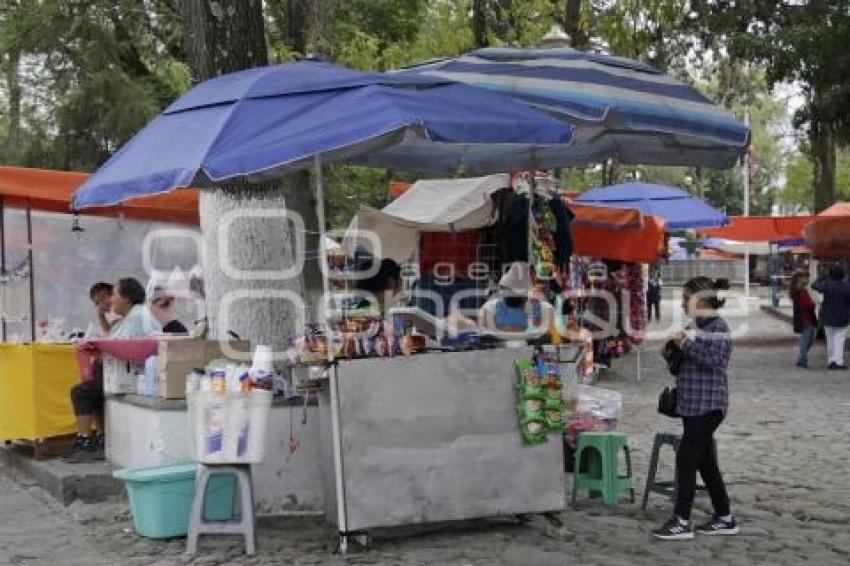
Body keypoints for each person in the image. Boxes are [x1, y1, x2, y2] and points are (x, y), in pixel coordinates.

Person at [653, 276, 737, 541]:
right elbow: (683, 363)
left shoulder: (719, 327)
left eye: (685, 298)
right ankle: (724, 517)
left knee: (686, 459)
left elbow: (714, 360)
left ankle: (681, 520)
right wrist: (670, 351)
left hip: (709, 405)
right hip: (691, 404)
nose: (682, 303)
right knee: (706, 464)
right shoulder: (695, 325)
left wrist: (685, 343)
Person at [67, 278, 162, 463]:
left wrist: (97, 349)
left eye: (114, 295)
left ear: (126, 298)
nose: (110, 300)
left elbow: (117, 345)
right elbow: (112, 339)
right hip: (127, 372)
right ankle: (100, 439)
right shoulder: (132, 316)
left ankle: (85, 441)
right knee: (90, 387)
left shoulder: (137, 316)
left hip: (136, 375)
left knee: (81, 392)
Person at [811, 265, 850, 370]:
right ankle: (838, 361)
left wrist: (823, 276)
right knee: (840, 339)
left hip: (827, 316)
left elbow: (814, 285)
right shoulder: (847, 286)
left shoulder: (826, 285)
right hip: (842, 317)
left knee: (830, 339)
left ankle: (831, 360)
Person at [790, 272, 818, 368]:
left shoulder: (803, 291)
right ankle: (802, 361)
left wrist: (812, 303)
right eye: (805, 277)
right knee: (806, 341)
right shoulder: (798, 292)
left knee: (810, 340)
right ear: (799, 279)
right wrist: (812, 303)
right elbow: (807, 304)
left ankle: (801, 359)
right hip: (804, 319)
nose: (807, 279)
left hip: (809, 318)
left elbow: (809, 303)